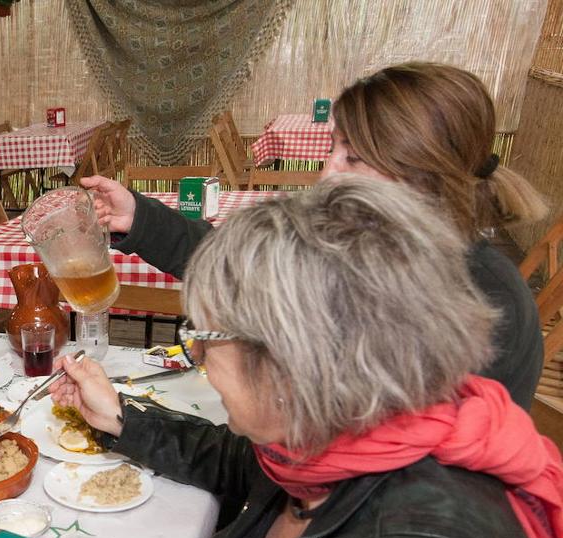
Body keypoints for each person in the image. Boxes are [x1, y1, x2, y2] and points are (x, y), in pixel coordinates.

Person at [50, 176, 563, 538]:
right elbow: (234, 462)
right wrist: (120, 419)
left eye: (203, 340)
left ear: (291, 366)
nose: (199, 364)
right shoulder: (340, 439)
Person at [82, 62, 546, 410]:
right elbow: (243, 263)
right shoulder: (373, 248)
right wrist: (138, 218)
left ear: (425, 175)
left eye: (354, 158)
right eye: (333, 150)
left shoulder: (481, 305)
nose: (327, 175)